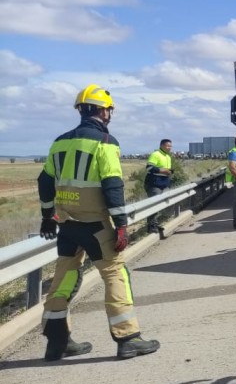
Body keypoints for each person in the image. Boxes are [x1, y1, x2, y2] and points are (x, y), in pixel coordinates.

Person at [36, 84, 160, 361]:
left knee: (64, 278)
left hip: (67, 225)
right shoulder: (106, 142)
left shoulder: (60, 142)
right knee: (116, 274)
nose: (110, 115)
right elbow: (112, 185)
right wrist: (122, 225)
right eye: (109, 110)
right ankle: (128, 338)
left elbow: (45, 180)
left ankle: (57, 342)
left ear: (81, 110)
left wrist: (47, 216)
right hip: (96, 226)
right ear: (103, 111)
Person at [144, 138, 174, 235]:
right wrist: (163, 171)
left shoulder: (168, 156)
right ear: (162, 145)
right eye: (168, 146)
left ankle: (155, 224)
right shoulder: (155, 154)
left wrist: (169, 172)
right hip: (154, 184)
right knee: (154, 205)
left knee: (160, 205)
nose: (170, 147)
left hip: (164, 183)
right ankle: (151, 226)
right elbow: (149, 168)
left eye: (170, 146)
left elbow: (166, 170)